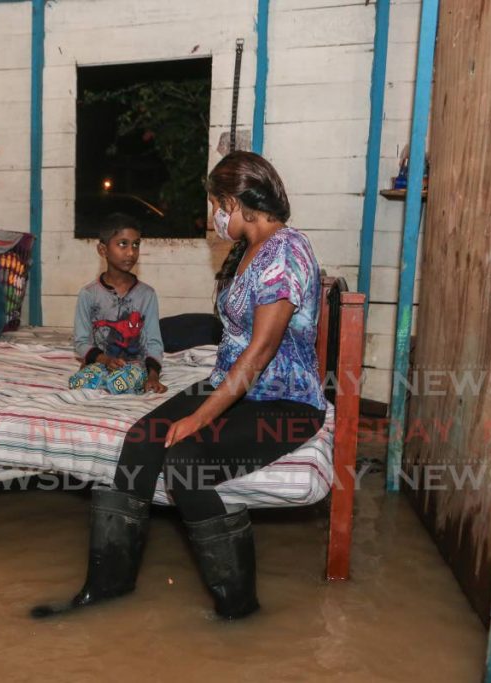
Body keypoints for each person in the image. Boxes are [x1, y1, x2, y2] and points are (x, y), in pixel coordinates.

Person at [34, 151, 327, 620]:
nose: (214, 216)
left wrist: (201, 416)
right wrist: (204, 403)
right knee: (142, 438)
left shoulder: (287, 250)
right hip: (230, 386)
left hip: (281, 400)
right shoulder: (246, 250)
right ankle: (108, 584)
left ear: (234, 201)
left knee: (187, 460)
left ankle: (238, 608)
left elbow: (262, 350)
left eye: (216, 204)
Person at [69, 213, 167, 395]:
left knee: (121, 383)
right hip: (101, 362)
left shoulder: (147, 294)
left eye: (136, 244)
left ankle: (115, 383)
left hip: (133, 367)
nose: (131, 252)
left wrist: (153, 376)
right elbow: (81, 341)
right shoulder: (89, 294)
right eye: (123, 244)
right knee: (78, 382)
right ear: (103, 250)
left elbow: (154, 343)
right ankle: (101, 380)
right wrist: (103, 360)